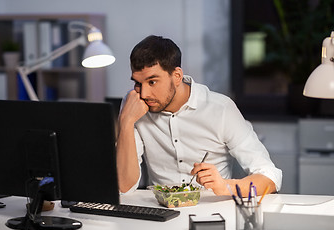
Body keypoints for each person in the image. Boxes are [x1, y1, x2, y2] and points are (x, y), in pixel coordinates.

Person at [116, 35, 282, 196]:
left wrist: (226, 186)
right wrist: (126, 121)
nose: (144, 93)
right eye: (138, 83)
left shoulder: (221, 109)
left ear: (177, 76)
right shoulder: (133, 105)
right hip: (159, 211)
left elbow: (270, 177)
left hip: (213, 212)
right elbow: (124, 188)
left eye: (152, 82)